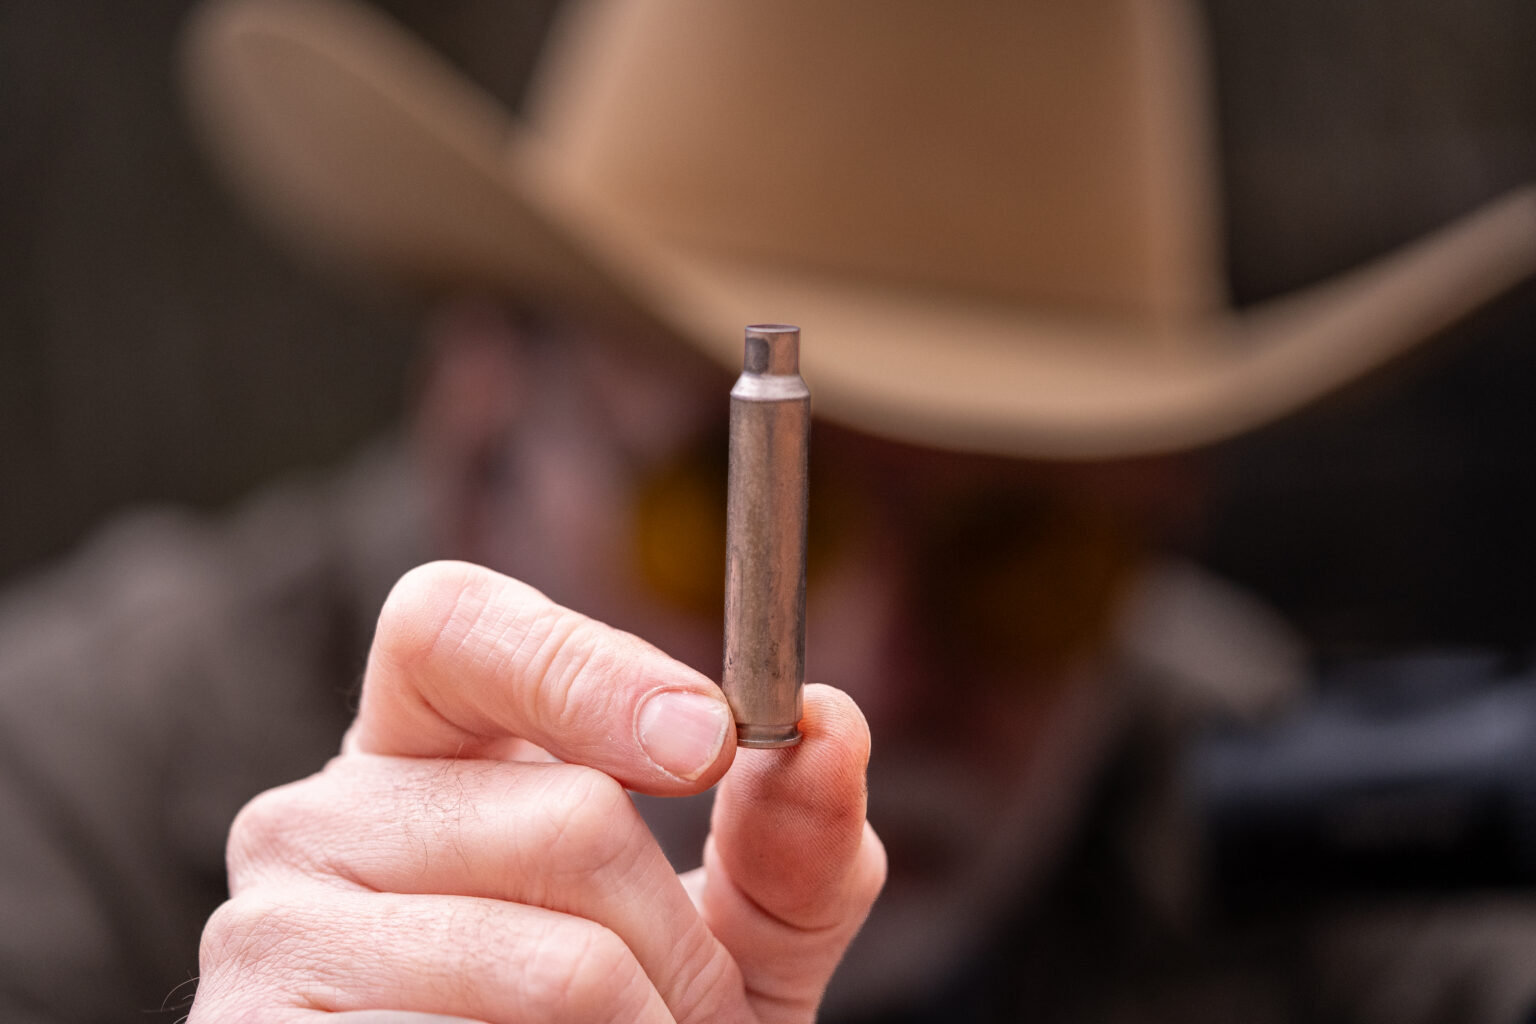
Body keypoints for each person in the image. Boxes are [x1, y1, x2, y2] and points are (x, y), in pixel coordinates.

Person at [4, 0, 1536, 1021]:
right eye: (720, 517)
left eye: (1029, 565)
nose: (857, 677)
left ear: (1161, 526)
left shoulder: (1321, 840)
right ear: (481, 426)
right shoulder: (74, 796)